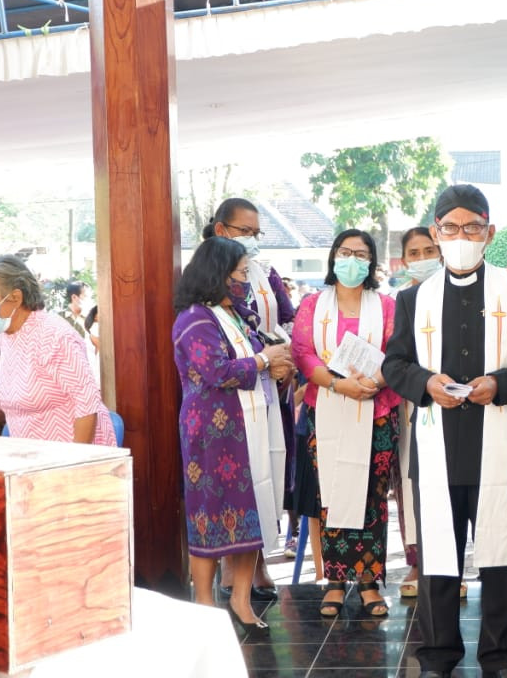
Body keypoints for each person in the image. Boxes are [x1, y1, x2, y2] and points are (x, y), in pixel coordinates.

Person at [382, 185, 507, 678]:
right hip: (437, 446)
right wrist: (423, 381)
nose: (461, 237)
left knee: (499, 558)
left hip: (496, 442)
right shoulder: (413, 299)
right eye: (450, 228)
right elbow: (395, 363)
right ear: (436, 233)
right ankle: (437, 656)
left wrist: (500, 383)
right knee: (439, 556)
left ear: (489, 232)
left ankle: (498, 657)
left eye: (472, 228)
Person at [171, 237, 293, 638]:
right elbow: (216, 371)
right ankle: (204, 604)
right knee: (209, 516)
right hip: (213, 436)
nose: (245, 281)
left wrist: (273, 366)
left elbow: (258, 358)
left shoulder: (239, 315)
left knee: (251, 511)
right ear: (217, 274)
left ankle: (241, 599)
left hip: (251, 429)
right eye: (241, 273)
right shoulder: (194, 319)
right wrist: (263, 361)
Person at [291, 229, 402, 619]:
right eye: (345, 251)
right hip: (327, 408)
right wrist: (340, 384)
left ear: (371, 262)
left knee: (372, 497)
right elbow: (303, 353)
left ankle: (369, 583)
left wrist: (374, 383)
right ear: (333, 257)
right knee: (332, 495)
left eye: (361, 253)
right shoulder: (311, 305)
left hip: (377, 409)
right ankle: (335, 582)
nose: (352, 259)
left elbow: (397, 351)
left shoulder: (386, 306)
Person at [206, 198, 296, 601]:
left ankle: (257, 562)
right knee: (236, 479)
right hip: (230, 394)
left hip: (270, 386)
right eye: (245, 231)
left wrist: (286, 357)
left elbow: (288, 318)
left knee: (267, 472)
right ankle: (232, 569)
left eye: (257, 232)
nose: (253, 240)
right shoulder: (207, 272)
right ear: (222, 230)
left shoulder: (265, 272)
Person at [0, 256, 115, 446]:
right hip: (32, 459)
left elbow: (87, 405)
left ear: (15, 298)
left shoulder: (54, 335)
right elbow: (14, 399)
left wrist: (74, 466)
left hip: (72, 460)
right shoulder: (8, 335)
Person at [391, 226, 443, 598]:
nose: (423, 258)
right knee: (413, 485)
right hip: (414, 404)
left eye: (429, 249)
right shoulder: (403, 299)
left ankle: (453, 561)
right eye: (415, 252)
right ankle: (417, 560)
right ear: (405, 259)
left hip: (460, 404)